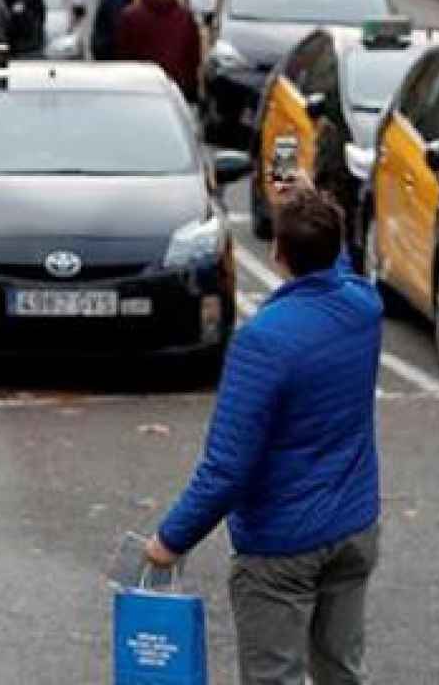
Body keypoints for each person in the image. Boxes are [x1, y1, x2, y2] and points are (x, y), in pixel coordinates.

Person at [146, 182, 382, 685]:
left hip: (282, 546)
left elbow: (227, 467)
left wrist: (171, 539)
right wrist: (314, 206)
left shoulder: (265, 341)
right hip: (354, 527)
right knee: (342, 671)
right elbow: (334, 269)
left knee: (273, 677)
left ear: (277, 253)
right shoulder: (365, 308)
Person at [114, 0, 201, 101]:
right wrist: (191, 89)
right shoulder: (185, 18)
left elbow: (123, 54)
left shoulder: (131, 16)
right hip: (175, 89)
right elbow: (193, 57)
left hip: (139, 87)